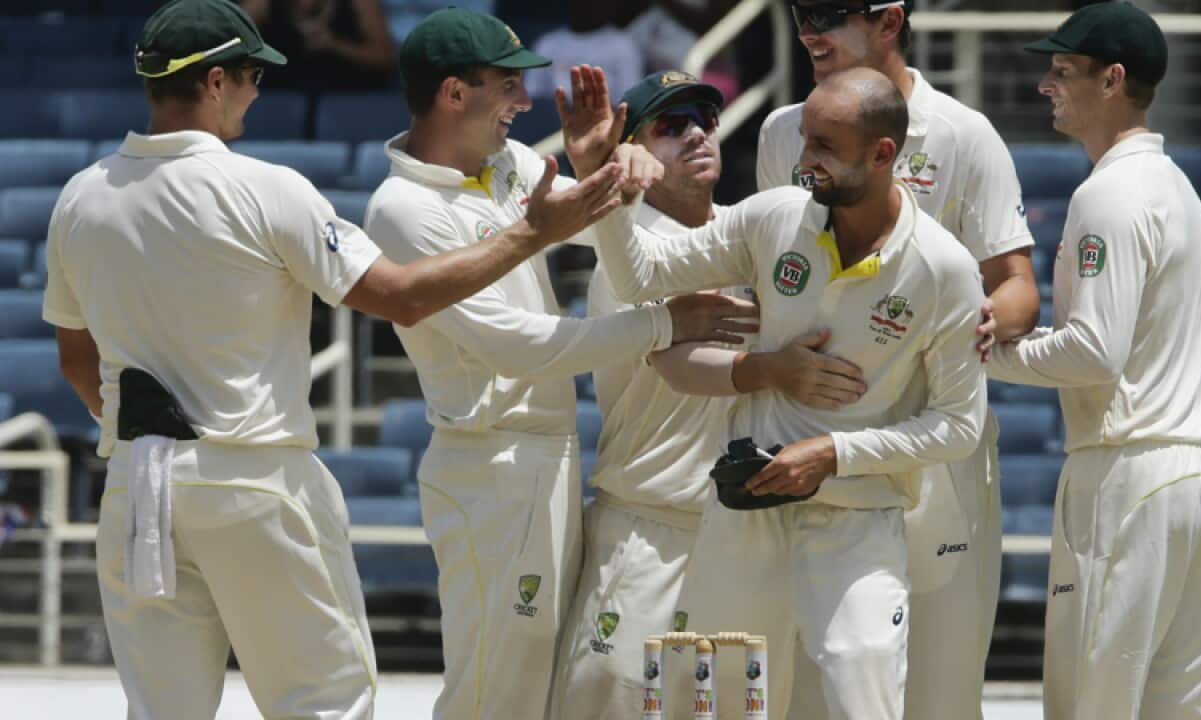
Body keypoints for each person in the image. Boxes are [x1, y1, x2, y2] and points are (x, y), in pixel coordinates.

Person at [43, 1, 630, 717]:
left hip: (137, 484)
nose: (257, 92)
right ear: (218, 80)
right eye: (254, 76)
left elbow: (76, 360)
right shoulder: (266, 188)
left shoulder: (79, 198)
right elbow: (402, 298)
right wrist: (532, 233)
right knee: (325, 704)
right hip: (254, 475)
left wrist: (153, 444)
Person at [360, 10, 759, 720]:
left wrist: (612, 168)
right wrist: (666, 322)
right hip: (489, 462)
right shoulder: (404, 207)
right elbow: (514, 347)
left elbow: (595, 217)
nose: (524, 101)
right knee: (494, 689)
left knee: (538, 687)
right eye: (507, 86)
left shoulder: (509, 165)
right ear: (454, 93)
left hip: (549, 454)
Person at [589, 66, 988, 720]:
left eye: (825, 147)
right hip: (746, 513)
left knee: (861, 705)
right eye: (805, 140)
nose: (805, 161)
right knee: (719, 709)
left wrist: (832, 453)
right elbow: (639, 278)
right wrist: (608, 185)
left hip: (857, 524)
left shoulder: (944, 270)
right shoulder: (774, 216)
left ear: (883, 154)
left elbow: (958, 426)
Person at [548, 69, 866, 720]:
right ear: (632, 151)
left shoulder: (750, 233)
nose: (696, 134)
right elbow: (675, 362)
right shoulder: (629, 252)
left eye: (705, 121)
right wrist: (770, 369)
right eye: (671, 126)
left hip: (748, 533)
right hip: (652, 528)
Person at [754, 3, 1041, 716]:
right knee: (813, 693)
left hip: (930, 445)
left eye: (828, 13)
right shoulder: (782, 129)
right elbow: (770, 272)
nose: (808, 30)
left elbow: (1018, 287)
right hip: (814, 445)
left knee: (939, 691)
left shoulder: (963, 133)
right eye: (799, 12)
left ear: (889, 20)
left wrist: (966, 321)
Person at [992, 3, 1201, 718]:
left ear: (1113, 81)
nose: (1045, 84)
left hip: (1130, 475)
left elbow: (1095, 353)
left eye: (1063, 70)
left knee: (1092, 705)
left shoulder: (1107, 193)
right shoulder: (1176, 186)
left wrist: (985, 356)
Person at [240, 0, 397, 93]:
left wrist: (335, 44)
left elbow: (386, 57)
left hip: (345, 96)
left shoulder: (360, 4)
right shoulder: (262, 3)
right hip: (280, 97)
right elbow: (232, 45)